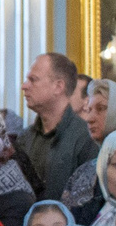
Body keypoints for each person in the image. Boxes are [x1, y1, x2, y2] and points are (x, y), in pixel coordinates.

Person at [18, 51, 96, 200]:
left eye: (33, 80)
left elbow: (86, 200)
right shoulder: (24, 138)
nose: (24, 86)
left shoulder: (85, 137)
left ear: (58, 87)